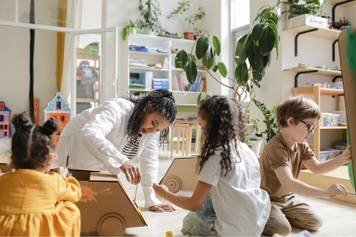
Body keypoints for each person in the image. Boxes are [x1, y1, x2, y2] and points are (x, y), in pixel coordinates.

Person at [153, 96, 271, 236]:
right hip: (256, 225)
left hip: (233, 232)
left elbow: (194, 204)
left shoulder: (217, 156)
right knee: (213, 192)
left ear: (213, 126)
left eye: (203, 127)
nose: (203, 132)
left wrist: (165, 194)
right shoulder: (247, 151)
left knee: (189, 224)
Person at [57, 89, 177, 211]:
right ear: (147, 107)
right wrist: (122, 161)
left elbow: (149, 159)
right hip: (75, 148)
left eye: (157, 130)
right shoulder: (117, 109)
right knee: (70, 200)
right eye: (153, 123)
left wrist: (150, 198)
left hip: (101, 161)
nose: (151, 131)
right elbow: (90, 134)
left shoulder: (152, 131)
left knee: (95, 202)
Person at [260, 96, 352, 236]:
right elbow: (289, 183)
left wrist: (342, 159)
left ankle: (280, 215)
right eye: (309, 126)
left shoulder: (301, 144)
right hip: (268, 199)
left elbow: (317, 168)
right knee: (282, 230)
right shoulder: (275, 148)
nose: (312, 131)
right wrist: (326, 193)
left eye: (314, 127)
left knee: (316, 223)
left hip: (287, 198)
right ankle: (263, 214)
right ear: (291, 121)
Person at [0, 112, 81, 236]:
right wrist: (64, 178)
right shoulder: (54, 182)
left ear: (12, 157)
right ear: (49, 159)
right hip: (37, 232)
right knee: (70, 207)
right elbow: (76, 193)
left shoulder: (2, 181)